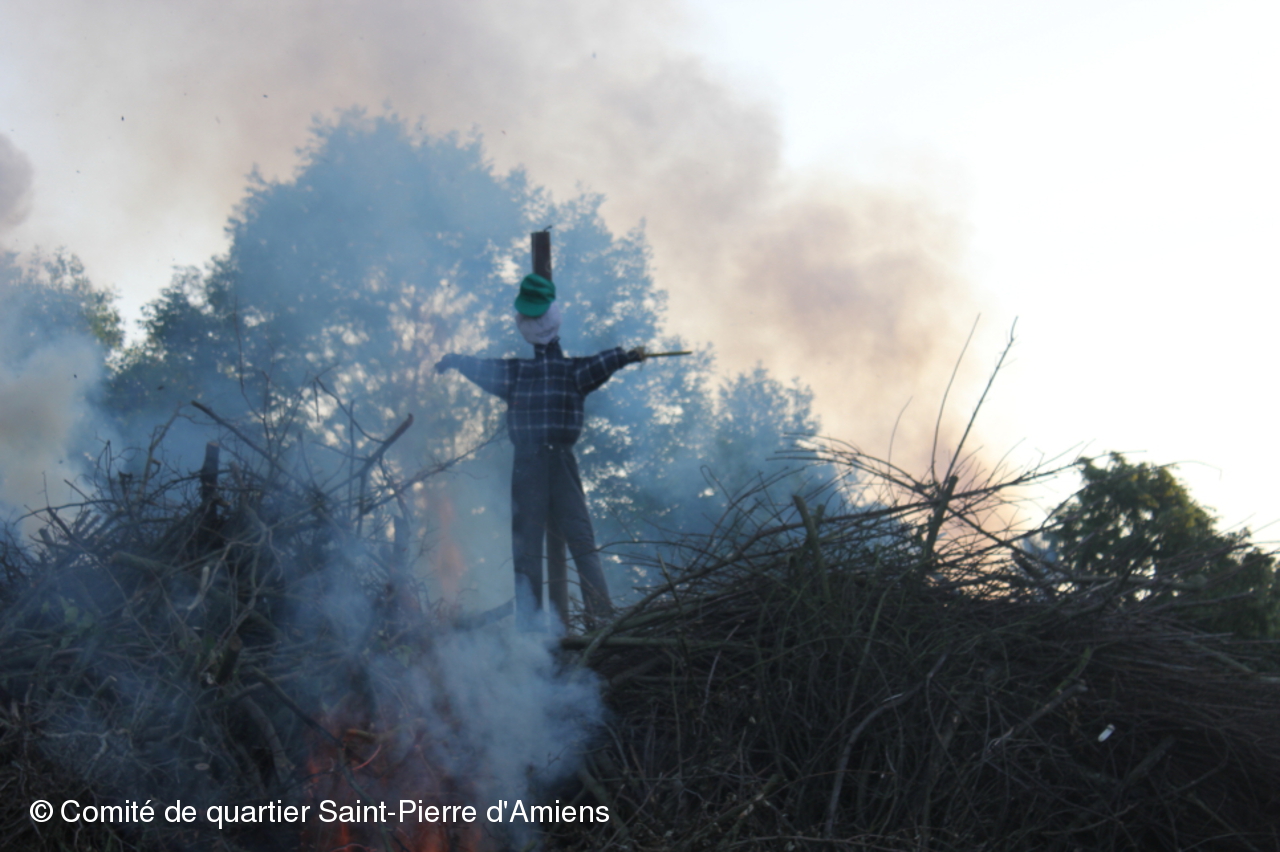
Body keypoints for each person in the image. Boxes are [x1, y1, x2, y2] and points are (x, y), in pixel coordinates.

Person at [435, 273, 646, 629]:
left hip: (532, 465)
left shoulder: (519, 373)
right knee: (577, 540)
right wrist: (626, 356)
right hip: (555, 461)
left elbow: (484, 368)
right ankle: (598, 619)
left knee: (530, 548)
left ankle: (536, 627)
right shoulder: (572, 371)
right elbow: (603, 362)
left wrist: (455, 359)